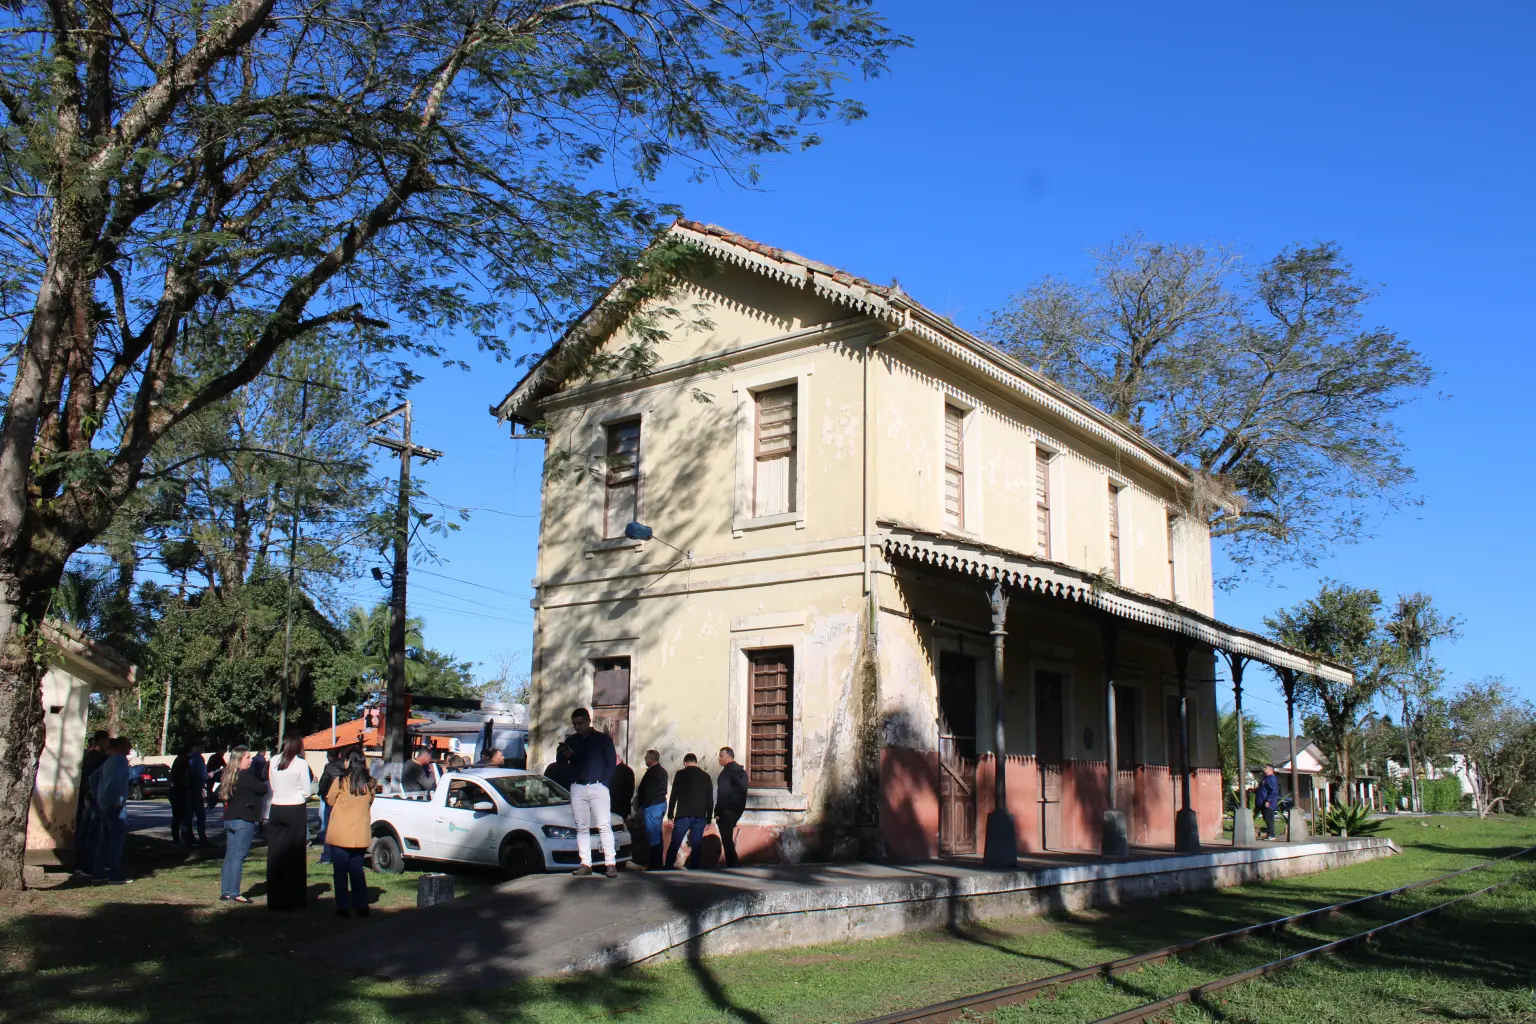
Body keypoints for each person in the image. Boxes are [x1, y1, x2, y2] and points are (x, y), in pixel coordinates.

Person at [564, 709, 618, 877]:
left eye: (580, 723)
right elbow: (561, 763)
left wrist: (605, 784)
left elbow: (611, 763)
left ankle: (610, 864)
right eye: (574, 724)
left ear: (589, 721)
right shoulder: (571, 741)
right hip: (577, 786)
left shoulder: (602, 740)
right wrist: (565, 755)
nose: (577, 727)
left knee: (604, 825)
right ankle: (585, 863)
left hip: (597, 786)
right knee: (581, 827)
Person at [325, 749, 376, 919]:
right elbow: (370, 801)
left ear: (348, 761)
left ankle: (343, 908)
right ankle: (361, 906)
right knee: (357, 870)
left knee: (340, 872)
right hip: (359, 834)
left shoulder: (341, 781)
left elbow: (330, 800)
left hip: (340, 833)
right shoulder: (370, 783)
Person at [265, 734, 313, 911]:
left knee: (275, 853)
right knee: (295, 854)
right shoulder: (301, 763)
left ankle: (275, 898)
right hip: (295, 809)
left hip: (277, 808)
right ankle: (295, 898)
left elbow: (272, 785)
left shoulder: (274, 760)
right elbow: (307, 791)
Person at [219, 746, 266, 903]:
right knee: (238, 857)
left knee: (230, 856)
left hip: (230, 819)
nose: (250, 760)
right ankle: (234, 892)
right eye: (247, 757)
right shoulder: (245, 776)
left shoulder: (229, 775)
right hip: (243, 819)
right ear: (239, 760)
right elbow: (263, 788)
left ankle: (226, 891)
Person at [91, 737, 133, 884]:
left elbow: (93, 778)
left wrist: (98, 796)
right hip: (115, 806)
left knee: (105, 839)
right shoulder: (121, 761)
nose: (130, 747)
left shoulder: (108, 761)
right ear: (119, 746)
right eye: (127, 745)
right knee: (116, 840)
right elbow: (117, 782)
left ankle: (98, 872)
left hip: (104, 804)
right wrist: (118, 801)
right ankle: (114, 874)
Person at [665, 752, 712, 870]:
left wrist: (670, 815)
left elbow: (674, 796)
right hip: (700, 815)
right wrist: (709, 818)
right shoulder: (706, 776)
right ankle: (695, 869)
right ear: (696, 763)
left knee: (675, 843)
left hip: (683, 815)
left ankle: (667, 867)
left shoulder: (680, 774)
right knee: (696, 845)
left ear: (685, 763)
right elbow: (709, 799)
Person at [72, 730, 109, 878]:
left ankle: (80, 863)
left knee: (83, 830)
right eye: (107, 740)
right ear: (101, 740)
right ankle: (87, 865)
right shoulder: (99, 758)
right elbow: (97, 778)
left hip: (84, 796)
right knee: (92, 831)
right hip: (92, 797)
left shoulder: (86, 756)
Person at [714, 747, 748, 868]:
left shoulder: (726, 773)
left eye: (721, 756)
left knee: (726, 838)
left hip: (726, 810)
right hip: (737, 809)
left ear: (728, 757)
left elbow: (723, 794)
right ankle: (733, 862)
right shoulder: (741, 772)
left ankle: (733, 863)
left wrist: (717, 812)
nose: (719, 758)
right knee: (727, 837)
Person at [635, 750, 668, 870]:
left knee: (653, 834)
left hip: (653, 806)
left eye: (646, 758)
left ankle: (655, 863)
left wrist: (643, 805)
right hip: (659, 804)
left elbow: (649, 791)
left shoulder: (653, 772)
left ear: (651, 759)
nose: (645, 760)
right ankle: (657, 861)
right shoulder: (661, 771)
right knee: (657, 834)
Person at [317, 749, 346, 864]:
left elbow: (322, 784)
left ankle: (327, 856)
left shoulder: (329, 767)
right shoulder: (348, 768)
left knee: (329, 829)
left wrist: (325, 797)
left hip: (331, 802)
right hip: (344, 802)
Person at [186, 739, 210, 846]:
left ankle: (188, 837)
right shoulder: (198, 758)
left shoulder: (187, 758)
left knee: (188, 815)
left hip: (187, 789)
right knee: (200, 815)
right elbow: (202, 774)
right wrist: (208, 775)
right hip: (196, 789)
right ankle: (202, 838)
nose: (203, 750)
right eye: (202, 747)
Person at [168, 743, 190, 845]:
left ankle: (177, 836)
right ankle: (181, 837)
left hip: (178, 791)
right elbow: (184, 778)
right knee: (182, 816)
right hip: (180, 791)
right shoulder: (182, 763)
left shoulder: (177, 762)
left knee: (178, 816)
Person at [609, 755, 636, 831]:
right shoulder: (626, 770)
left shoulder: (623, 771)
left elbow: (616, 789)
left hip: (619, 806)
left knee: (617, 827)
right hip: (620, 805)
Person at [1256, 763, 1282, 841]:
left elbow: (1273, 791)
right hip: (1263, 802)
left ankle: (1271, 834)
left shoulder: (1271, 778)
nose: (1264, 769)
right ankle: (1269, 834)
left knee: (1269, 819)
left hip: (1268, 803)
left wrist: (1268, 800)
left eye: (1265, 768)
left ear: (1270, 769)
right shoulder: (1266, 778)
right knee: (1266, 818)